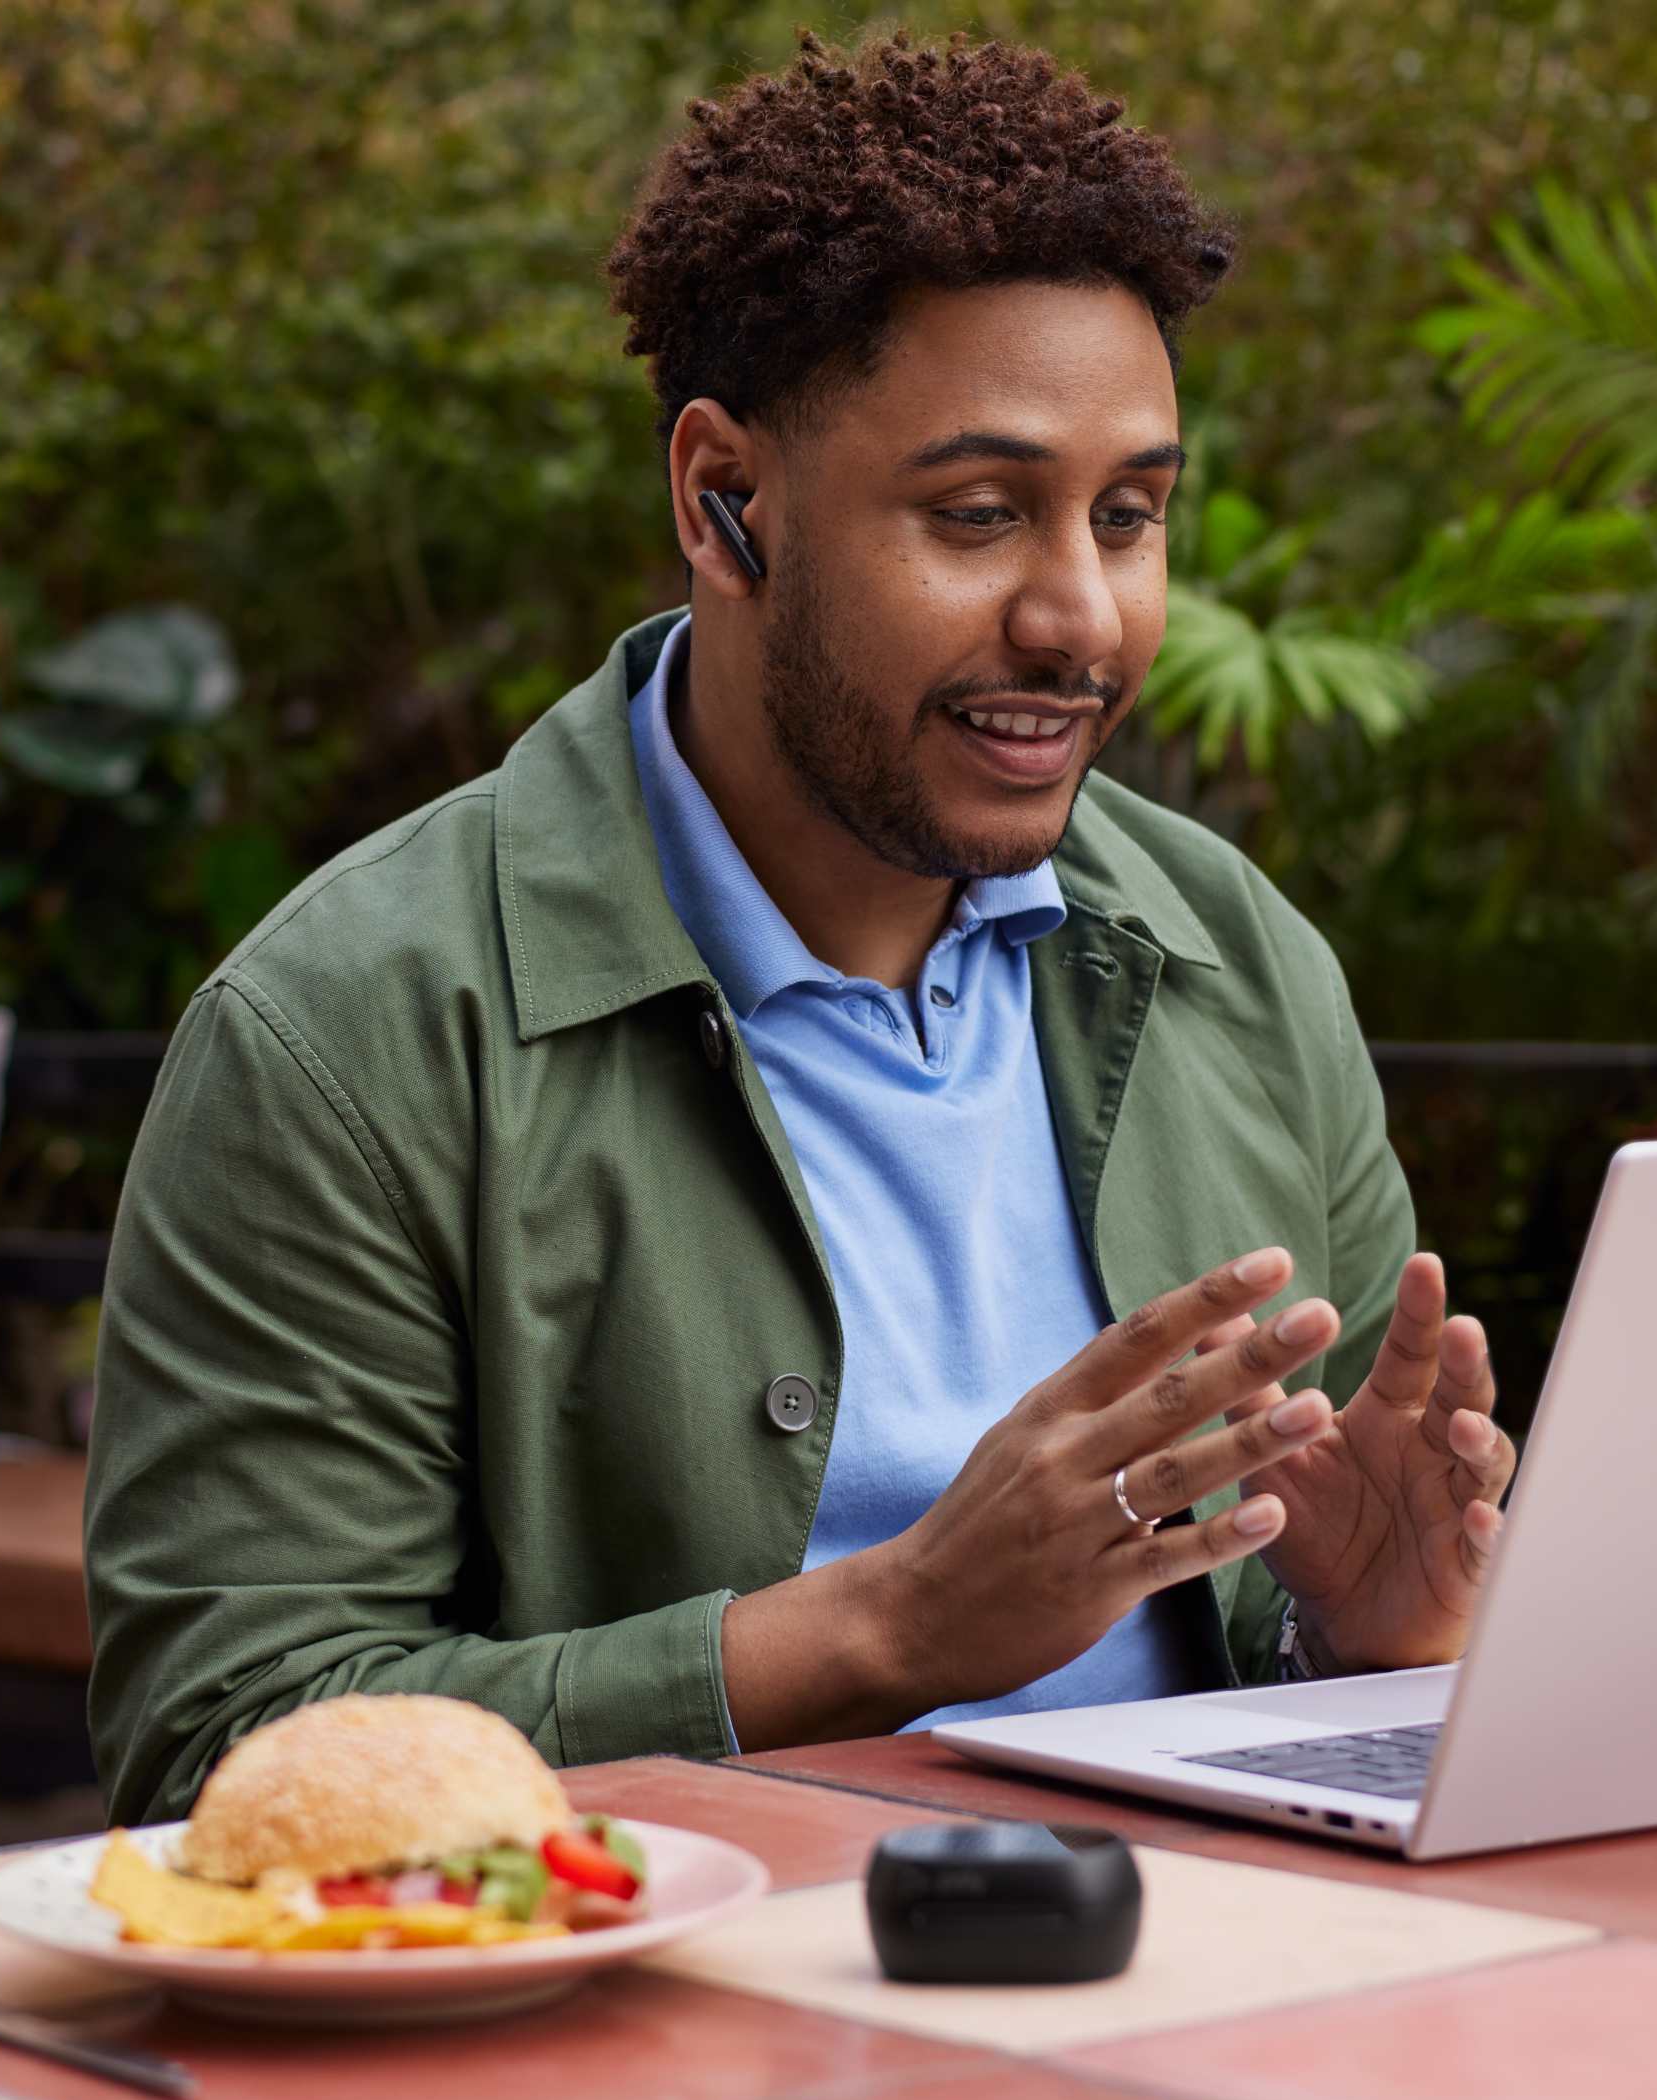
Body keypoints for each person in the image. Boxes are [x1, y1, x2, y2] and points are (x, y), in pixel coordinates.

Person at [86, 33, 1520, 1820]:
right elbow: (222, 1743)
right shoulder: (349, 1028)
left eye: (1131, 514)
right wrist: (879, 1630)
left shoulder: (1235, 956)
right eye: (978, 514)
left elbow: (1338, 1643)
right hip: (668, 2022)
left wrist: (1375, 1632)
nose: (1082, 617)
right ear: (721, 502)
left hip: (1217, 1986)